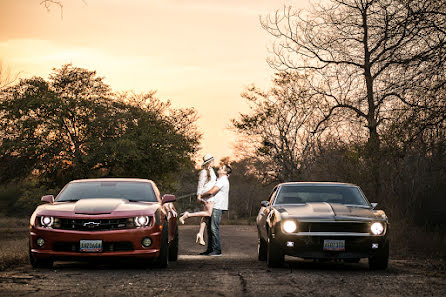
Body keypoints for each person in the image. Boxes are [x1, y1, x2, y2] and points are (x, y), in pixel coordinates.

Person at [178, 154, 216, 246]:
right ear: (209, 162)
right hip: (206, 195)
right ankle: (187, 215)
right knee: (209, 213)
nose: (214, 162)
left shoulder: (212, 170)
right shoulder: (203, 172)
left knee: (205, 216)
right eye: (212, 160)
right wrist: (198, 196)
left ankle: (200, 234)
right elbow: (200, 184)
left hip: (211, 194)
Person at [198, 164, 231, 256]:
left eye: (221, 168)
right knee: (209, 228)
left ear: (225, 172)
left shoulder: (223, 180)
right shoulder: (219, 180)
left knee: (213, 228)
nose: (219, 168)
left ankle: (217, 250)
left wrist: (201, 195)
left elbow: (212, 191)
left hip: (218, 206)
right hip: (214, 206)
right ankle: (210, 249)